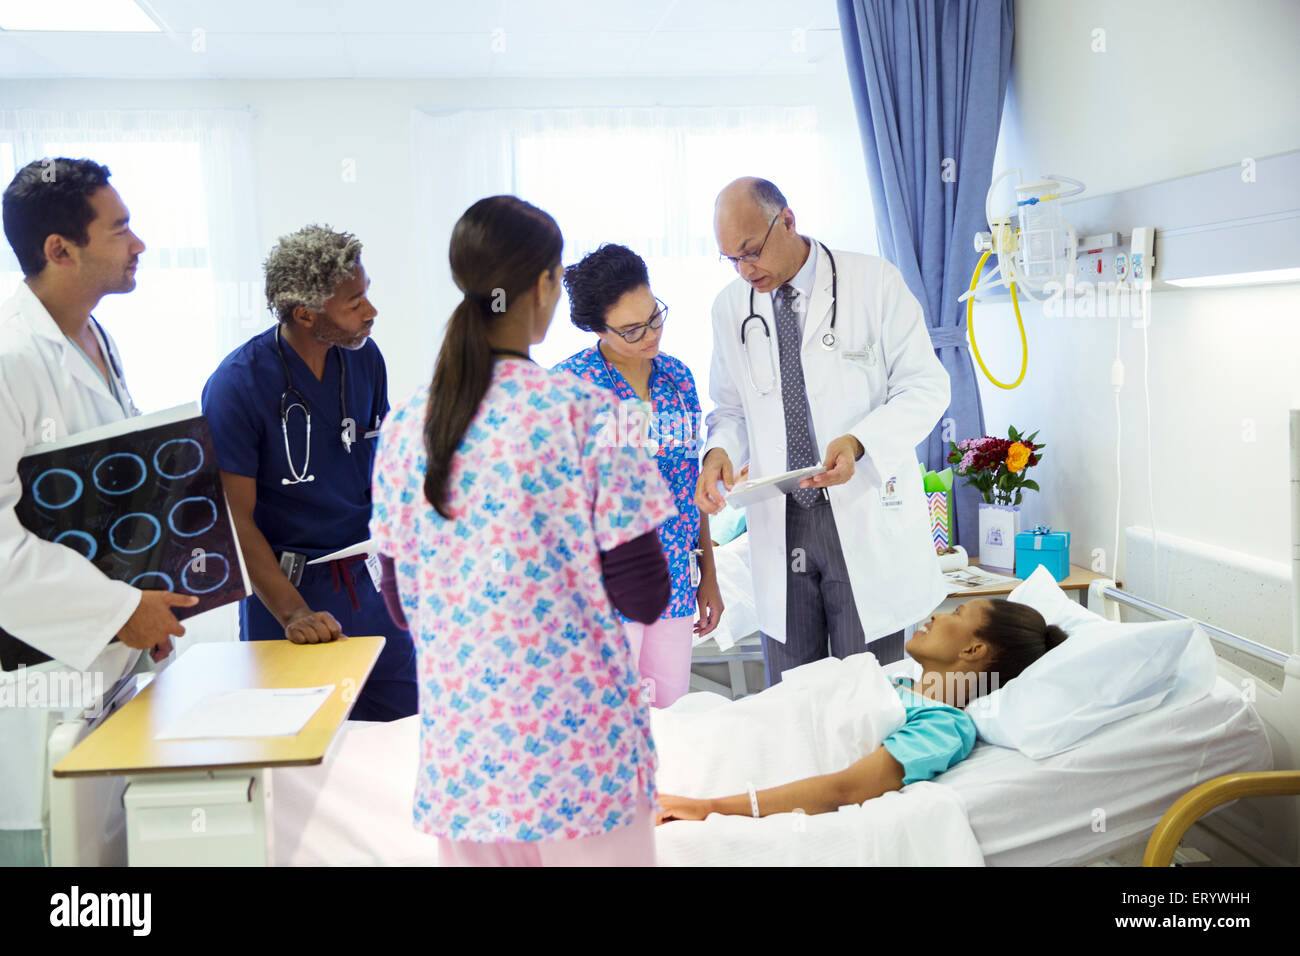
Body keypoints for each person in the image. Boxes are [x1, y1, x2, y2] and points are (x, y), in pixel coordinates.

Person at [369, 195, 678, 866]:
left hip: (467, 752)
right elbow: (647, 595)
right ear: (544, 286)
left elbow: (400, 603)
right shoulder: (590, 412)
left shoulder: (403, 430)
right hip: (581, 756)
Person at [0, 158, 197, 864]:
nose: (138, 243)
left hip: (102, 670)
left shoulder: (93, 338)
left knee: (109, 864)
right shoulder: (9, 354)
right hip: (33, 680)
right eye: (120, 228)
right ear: (61, 250)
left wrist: (145, 598)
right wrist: (119, 608)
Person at [696, 177, 951, 686]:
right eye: (732, 260)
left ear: (787, 221)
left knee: (869, 694)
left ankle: (864, 771)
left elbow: (927, 387)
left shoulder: (874, 283)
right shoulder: (731, 307)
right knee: (793, 699)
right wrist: (719, 452)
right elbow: (729, 408)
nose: (746, 271)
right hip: (780, 517)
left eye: (751, 252)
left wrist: (860, 441)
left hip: (860, 506)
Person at [200, 225, 415, 722]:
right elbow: (235, 520)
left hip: (366, 583)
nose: (371, 311)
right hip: (287, 593)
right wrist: (293, 612)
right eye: (354, 302)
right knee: (296, 755)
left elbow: (372, 465)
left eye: (367, 294)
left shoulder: (365, 360)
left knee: (403, 728)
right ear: (305, 313)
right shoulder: (238, 385)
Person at [656, 599, 1068, 822]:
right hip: (714, 731)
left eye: (957, 613)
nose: (937, 615)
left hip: (717, 769)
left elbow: (846, 788)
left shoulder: (944, 725)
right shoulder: (893, 683)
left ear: (973, 650)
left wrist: (708, 808)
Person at [553, 244, 722, 708]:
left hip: (674, 586)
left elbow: (693, 487)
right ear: (595, 328)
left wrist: (708, 574)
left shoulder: (677, 379)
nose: (650, 334)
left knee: (670, 722)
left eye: (654, 317)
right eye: (631, 330)